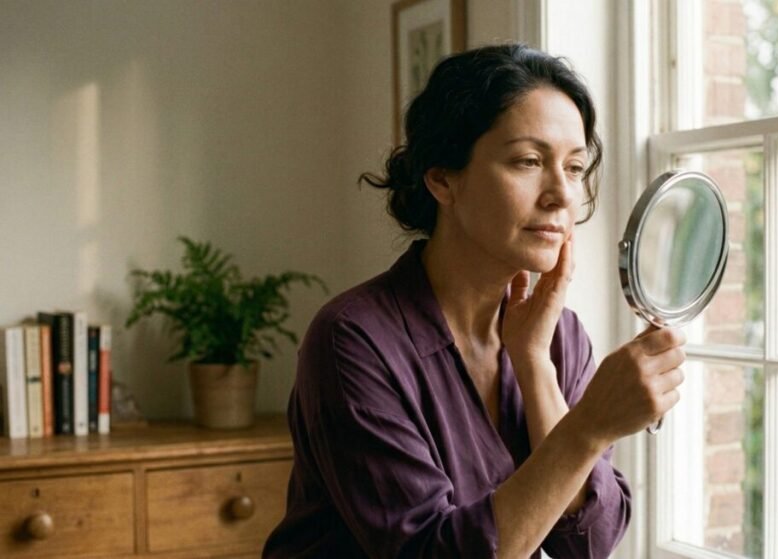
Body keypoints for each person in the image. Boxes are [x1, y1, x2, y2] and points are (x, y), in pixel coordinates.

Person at [263, 43, 687, 559]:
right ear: (443, 179)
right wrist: (589, 427)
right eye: (528, 161)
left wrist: (534, 367)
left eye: (574, 168)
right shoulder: (352, 340)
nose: (561, 195)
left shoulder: (559, 336)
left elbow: (588, 544)